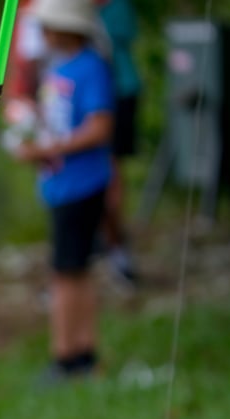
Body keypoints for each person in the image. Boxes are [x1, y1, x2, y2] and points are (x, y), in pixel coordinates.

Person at [14, 0, 114, 382]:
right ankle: (82, 355)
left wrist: (49, 149)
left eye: (48, 27)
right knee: (73, 269)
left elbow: (100, 127)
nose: (41, 34)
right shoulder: (58, 69)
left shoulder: (90, 67)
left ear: (66, 30)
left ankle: (67, 358)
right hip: (60, 187)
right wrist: (30, 132)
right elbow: (58, 119)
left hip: (82, 186)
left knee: (66, 272)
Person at [97, 0, 141, 287]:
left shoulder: (117, 8)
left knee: (111, 173)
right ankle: (104, 242)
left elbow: (121, 39)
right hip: (93, 100)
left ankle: (116, 246)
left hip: (119, 94)